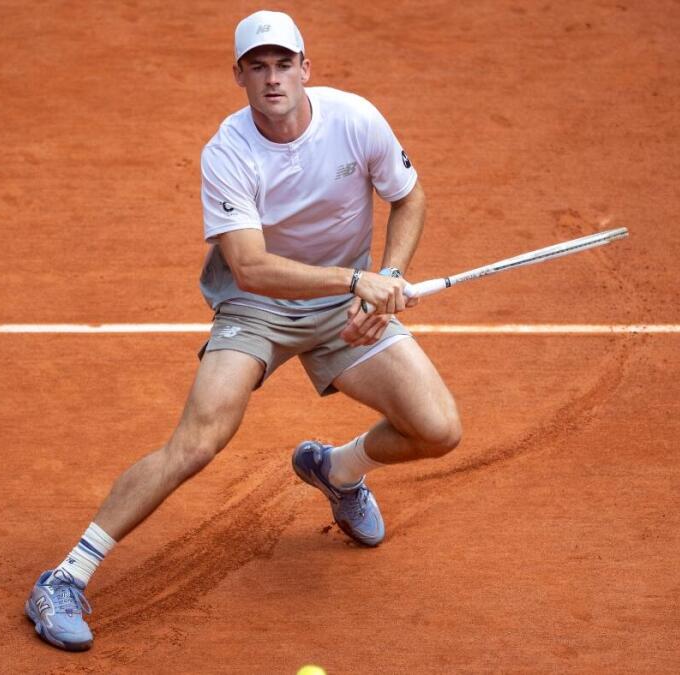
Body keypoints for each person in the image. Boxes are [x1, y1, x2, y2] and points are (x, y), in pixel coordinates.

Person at [25, 10, 461, 651]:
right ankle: (64, 579)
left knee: (439, 429)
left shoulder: (355, 120)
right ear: (239, 76)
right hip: (258, 307)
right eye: (258, 67)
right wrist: (354, 281)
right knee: (196, 443)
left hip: (346, 310)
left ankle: (336, 472)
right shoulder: (228, 152)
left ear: (306, 68)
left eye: (284, 64)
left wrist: (389, 277)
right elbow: (250, 267)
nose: (273, 78)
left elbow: (409, 196)